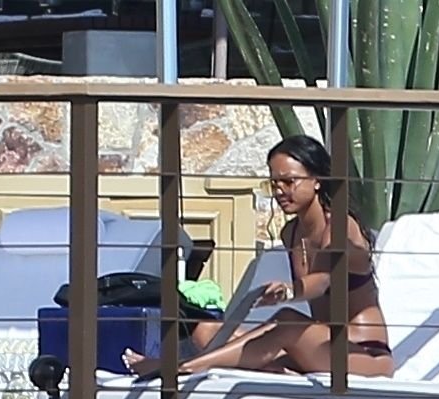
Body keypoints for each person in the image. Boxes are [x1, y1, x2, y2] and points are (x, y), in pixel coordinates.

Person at [123, 134, 394, 378]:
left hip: (363, 353)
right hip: (317, 347)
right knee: (206, 330)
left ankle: (184, 367)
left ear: (317, 181)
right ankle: (272, 369)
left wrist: (289, 291)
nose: (279, 191)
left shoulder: (340, 226)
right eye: (274, 183)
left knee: (286, 320)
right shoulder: (291, 233)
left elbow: (323, 281)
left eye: (289, 181)